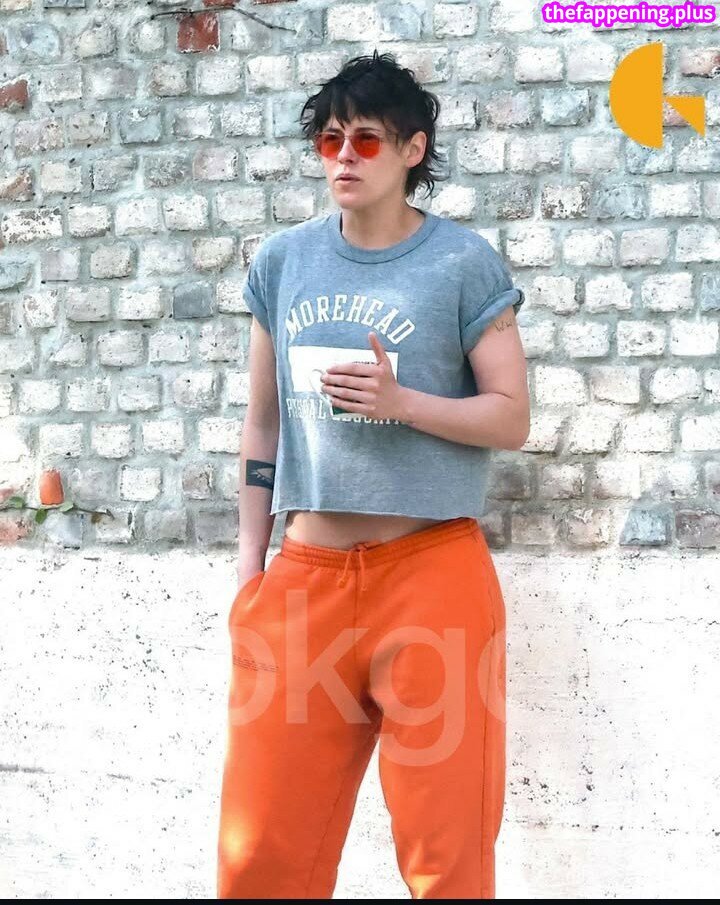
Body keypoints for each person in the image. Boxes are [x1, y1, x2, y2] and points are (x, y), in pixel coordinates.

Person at [217, 50, 529, 899]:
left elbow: (511, 414)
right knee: (259, 850)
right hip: (302, 581)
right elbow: (262, 421)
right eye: (329, 141)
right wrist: (249, 569)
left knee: (446, 849)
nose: (344, 157)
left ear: (412, 149)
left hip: (431, 579)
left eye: (365, 139)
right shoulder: (283, 263)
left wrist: (403, 402)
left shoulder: (462, 263)